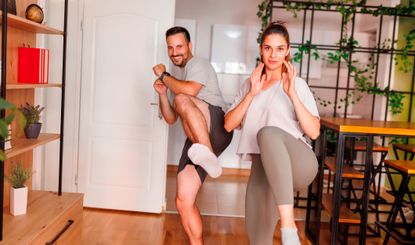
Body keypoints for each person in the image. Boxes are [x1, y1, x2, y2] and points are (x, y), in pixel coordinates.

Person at [224, 21, 320, 245]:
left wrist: (293, 95)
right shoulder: (250, 83)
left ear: (287, 51)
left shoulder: (297, 84)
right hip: (263, 170)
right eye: (268, 48)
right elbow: (229, 125)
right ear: (261, 49)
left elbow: (314, 132)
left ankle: (289, 228)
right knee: (258, 239)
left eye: (279, 49)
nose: (273, 54)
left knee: (267, 133)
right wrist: (252, 94)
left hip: (300, 164)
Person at [152, 26, 233, 244]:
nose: (174, 52)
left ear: (189, 46)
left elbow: (188, 93)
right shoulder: (181, 76)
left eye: (179, 46)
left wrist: (164, 75)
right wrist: (162, 94)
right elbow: (171, 119)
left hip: (215, 125)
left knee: (181, 98)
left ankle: (207, 153)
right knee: (183, 201)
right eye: (170, 48)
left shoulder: (198, 63)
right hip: (198, 138)